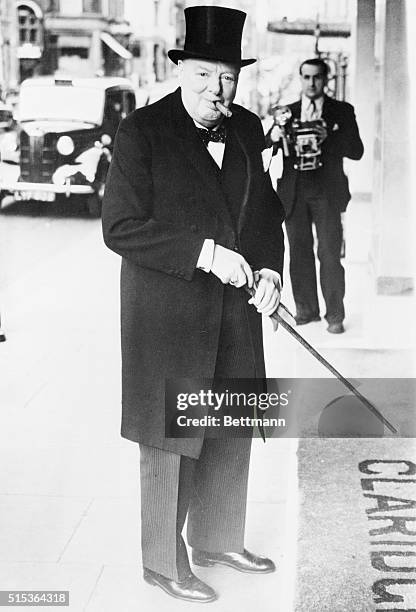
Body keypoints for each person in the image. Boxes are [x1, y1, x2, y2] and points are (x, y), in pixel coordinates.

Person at [102, 5, 285, 604]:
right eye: (205, 73)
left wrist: (271, 273)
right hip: (169, 316)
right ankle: (162, 562)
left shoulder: (249, 129)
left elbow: (265, 217)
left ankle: (218, 539)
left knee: (230, 426)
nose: (218, 88)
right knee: (172, 440)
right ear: (182, 71)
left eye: (229, 75)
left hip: (235, 314)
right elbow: (121, 228)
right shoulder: (142, 131)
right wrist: (205, 252)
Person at [267, 58, 363, 333]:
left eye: (317, 77)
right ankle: (306, 310)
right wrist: (274, 136)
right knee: (298, 253)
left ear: (326, 79)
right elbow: (265, 146)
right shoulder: (287, 112)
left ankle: (335, 315)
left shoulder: (341, 112)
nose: (311, 83)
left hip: (327, 193)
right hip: (294, 193)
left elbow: (357, 150)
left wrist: (329, 137)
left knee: (330, 253)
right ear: (300, 79)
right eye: (306, 77)